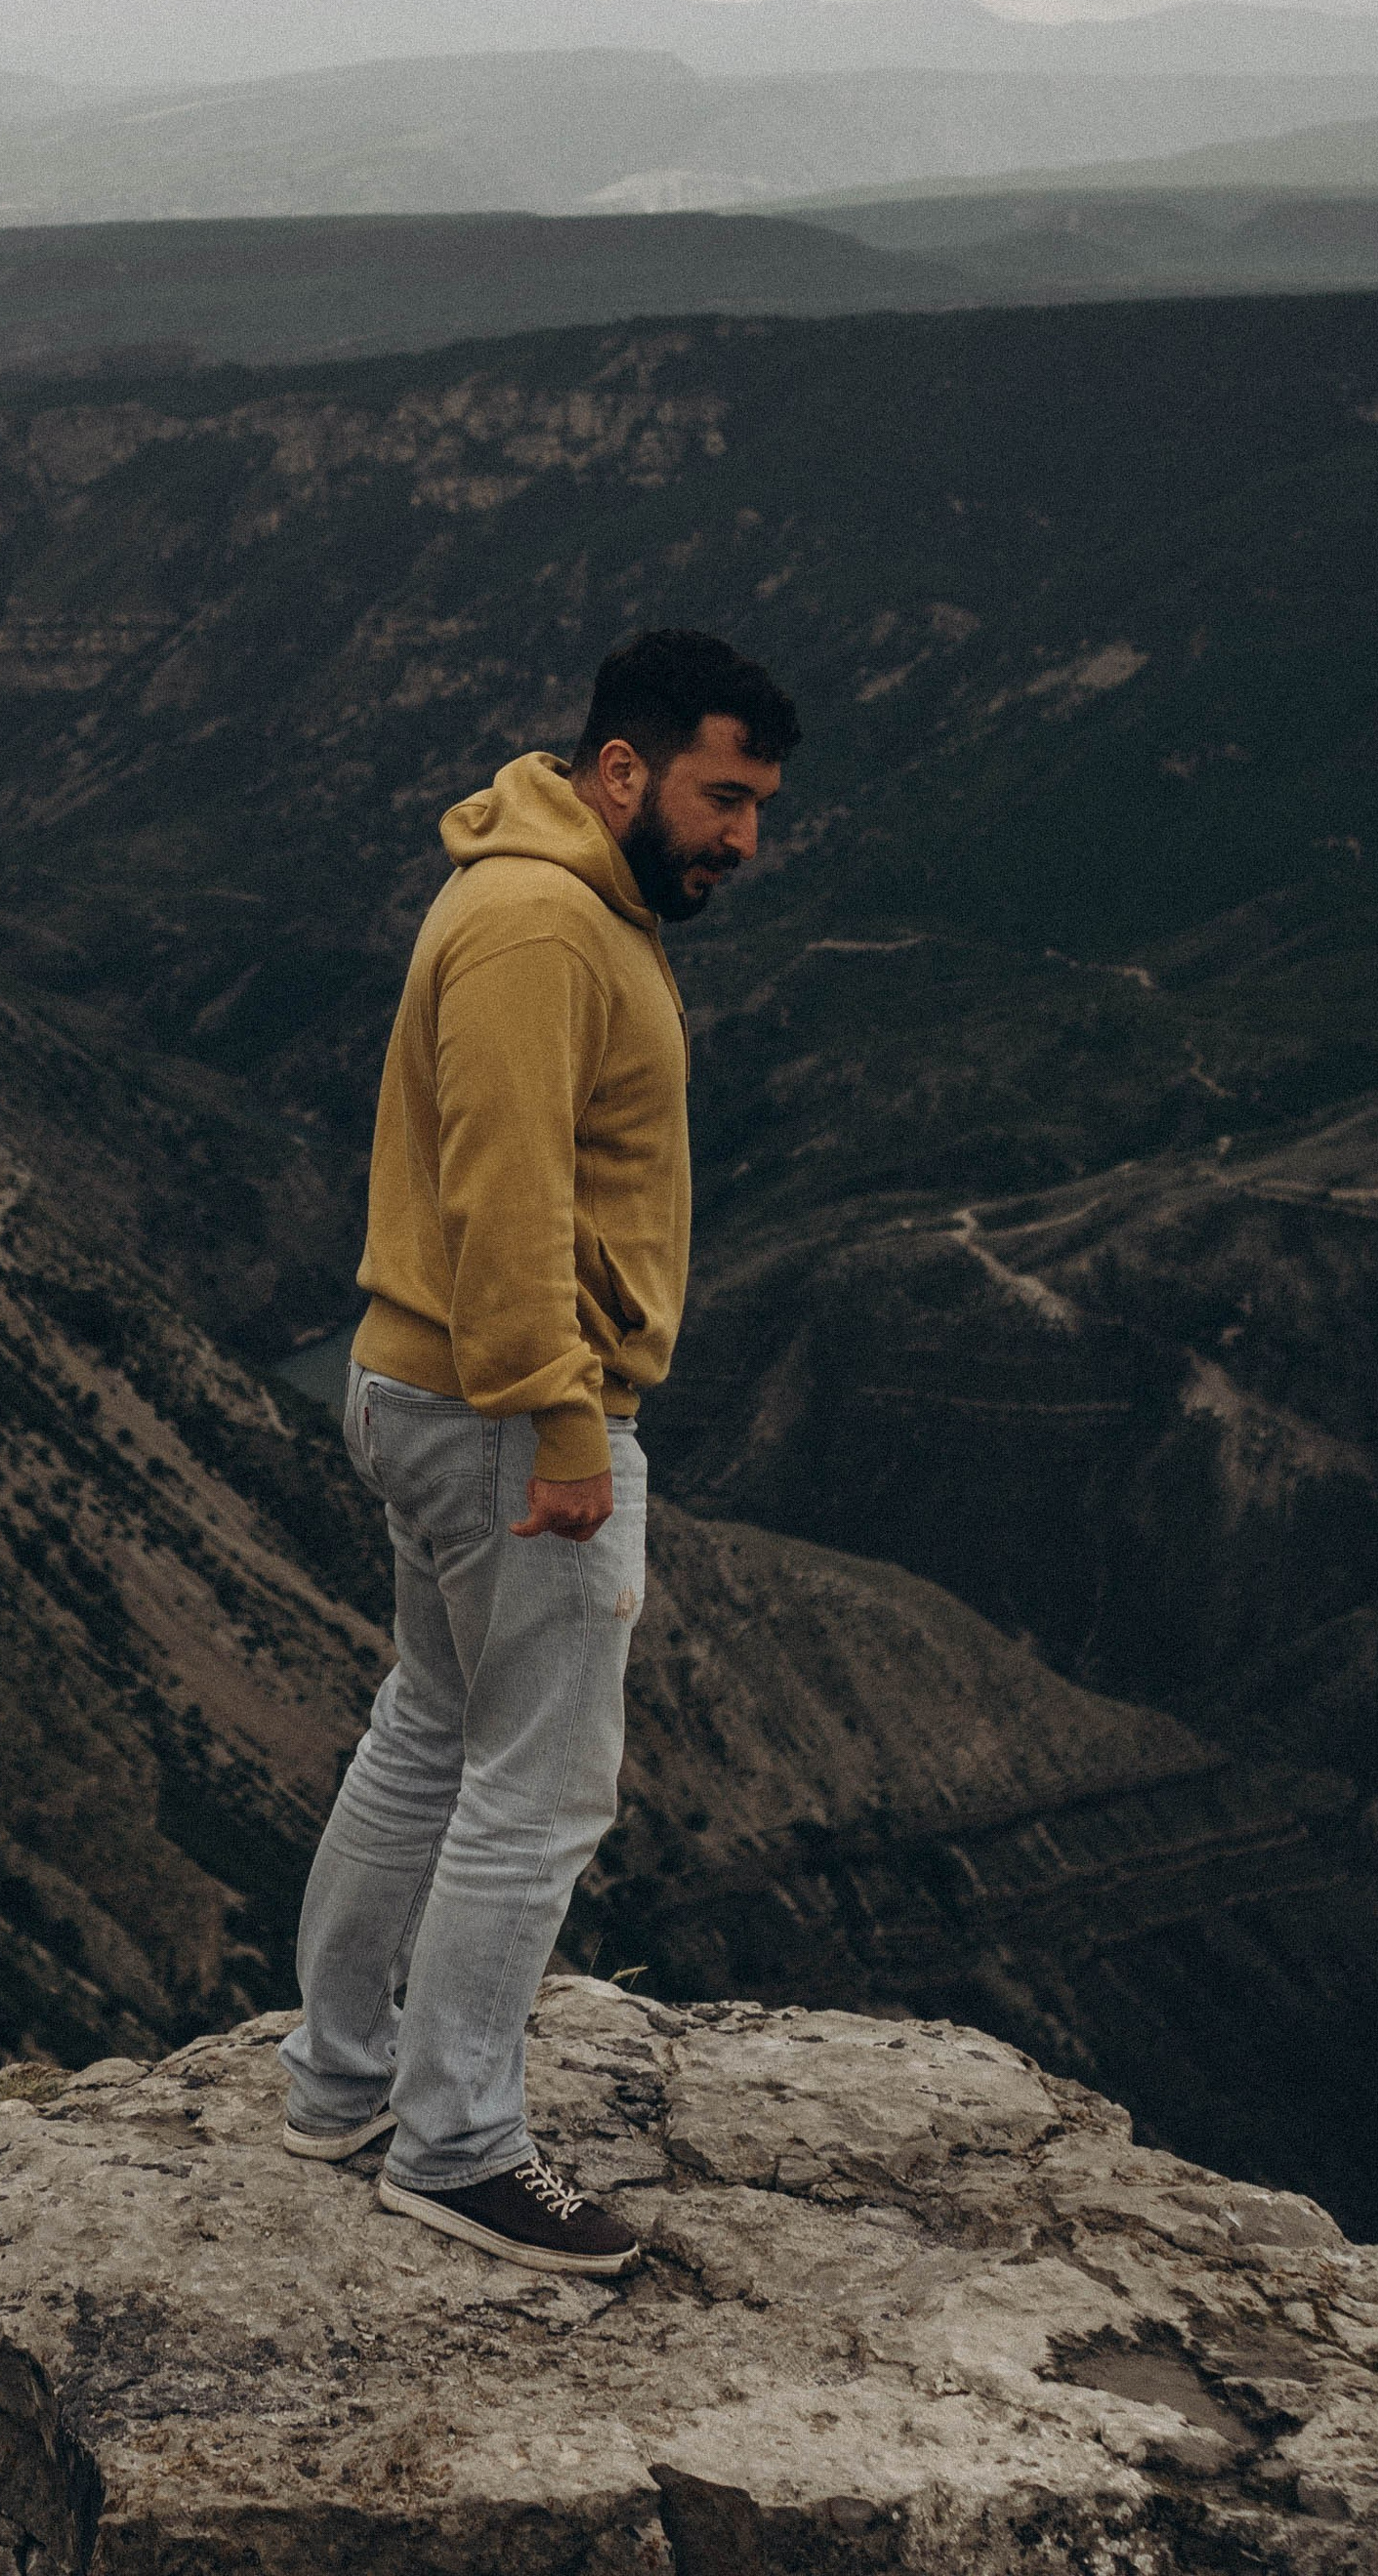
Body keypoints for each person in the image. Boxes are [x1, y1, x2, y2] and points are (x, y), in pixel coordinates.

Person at [278, 628, 800, 2274]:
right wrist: (569, 1423)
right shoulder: (537, 928)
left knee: (429, 1728)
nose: (743, 839)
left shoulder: (561, 898)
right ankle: (456, 2147)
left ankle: (341, 2080)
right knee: (541, 1789)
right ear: (623, 771)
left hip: (439, 1394)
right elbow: (511, 1203)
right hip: (509, 1413)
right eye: (723, 797)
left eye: (762, 807)